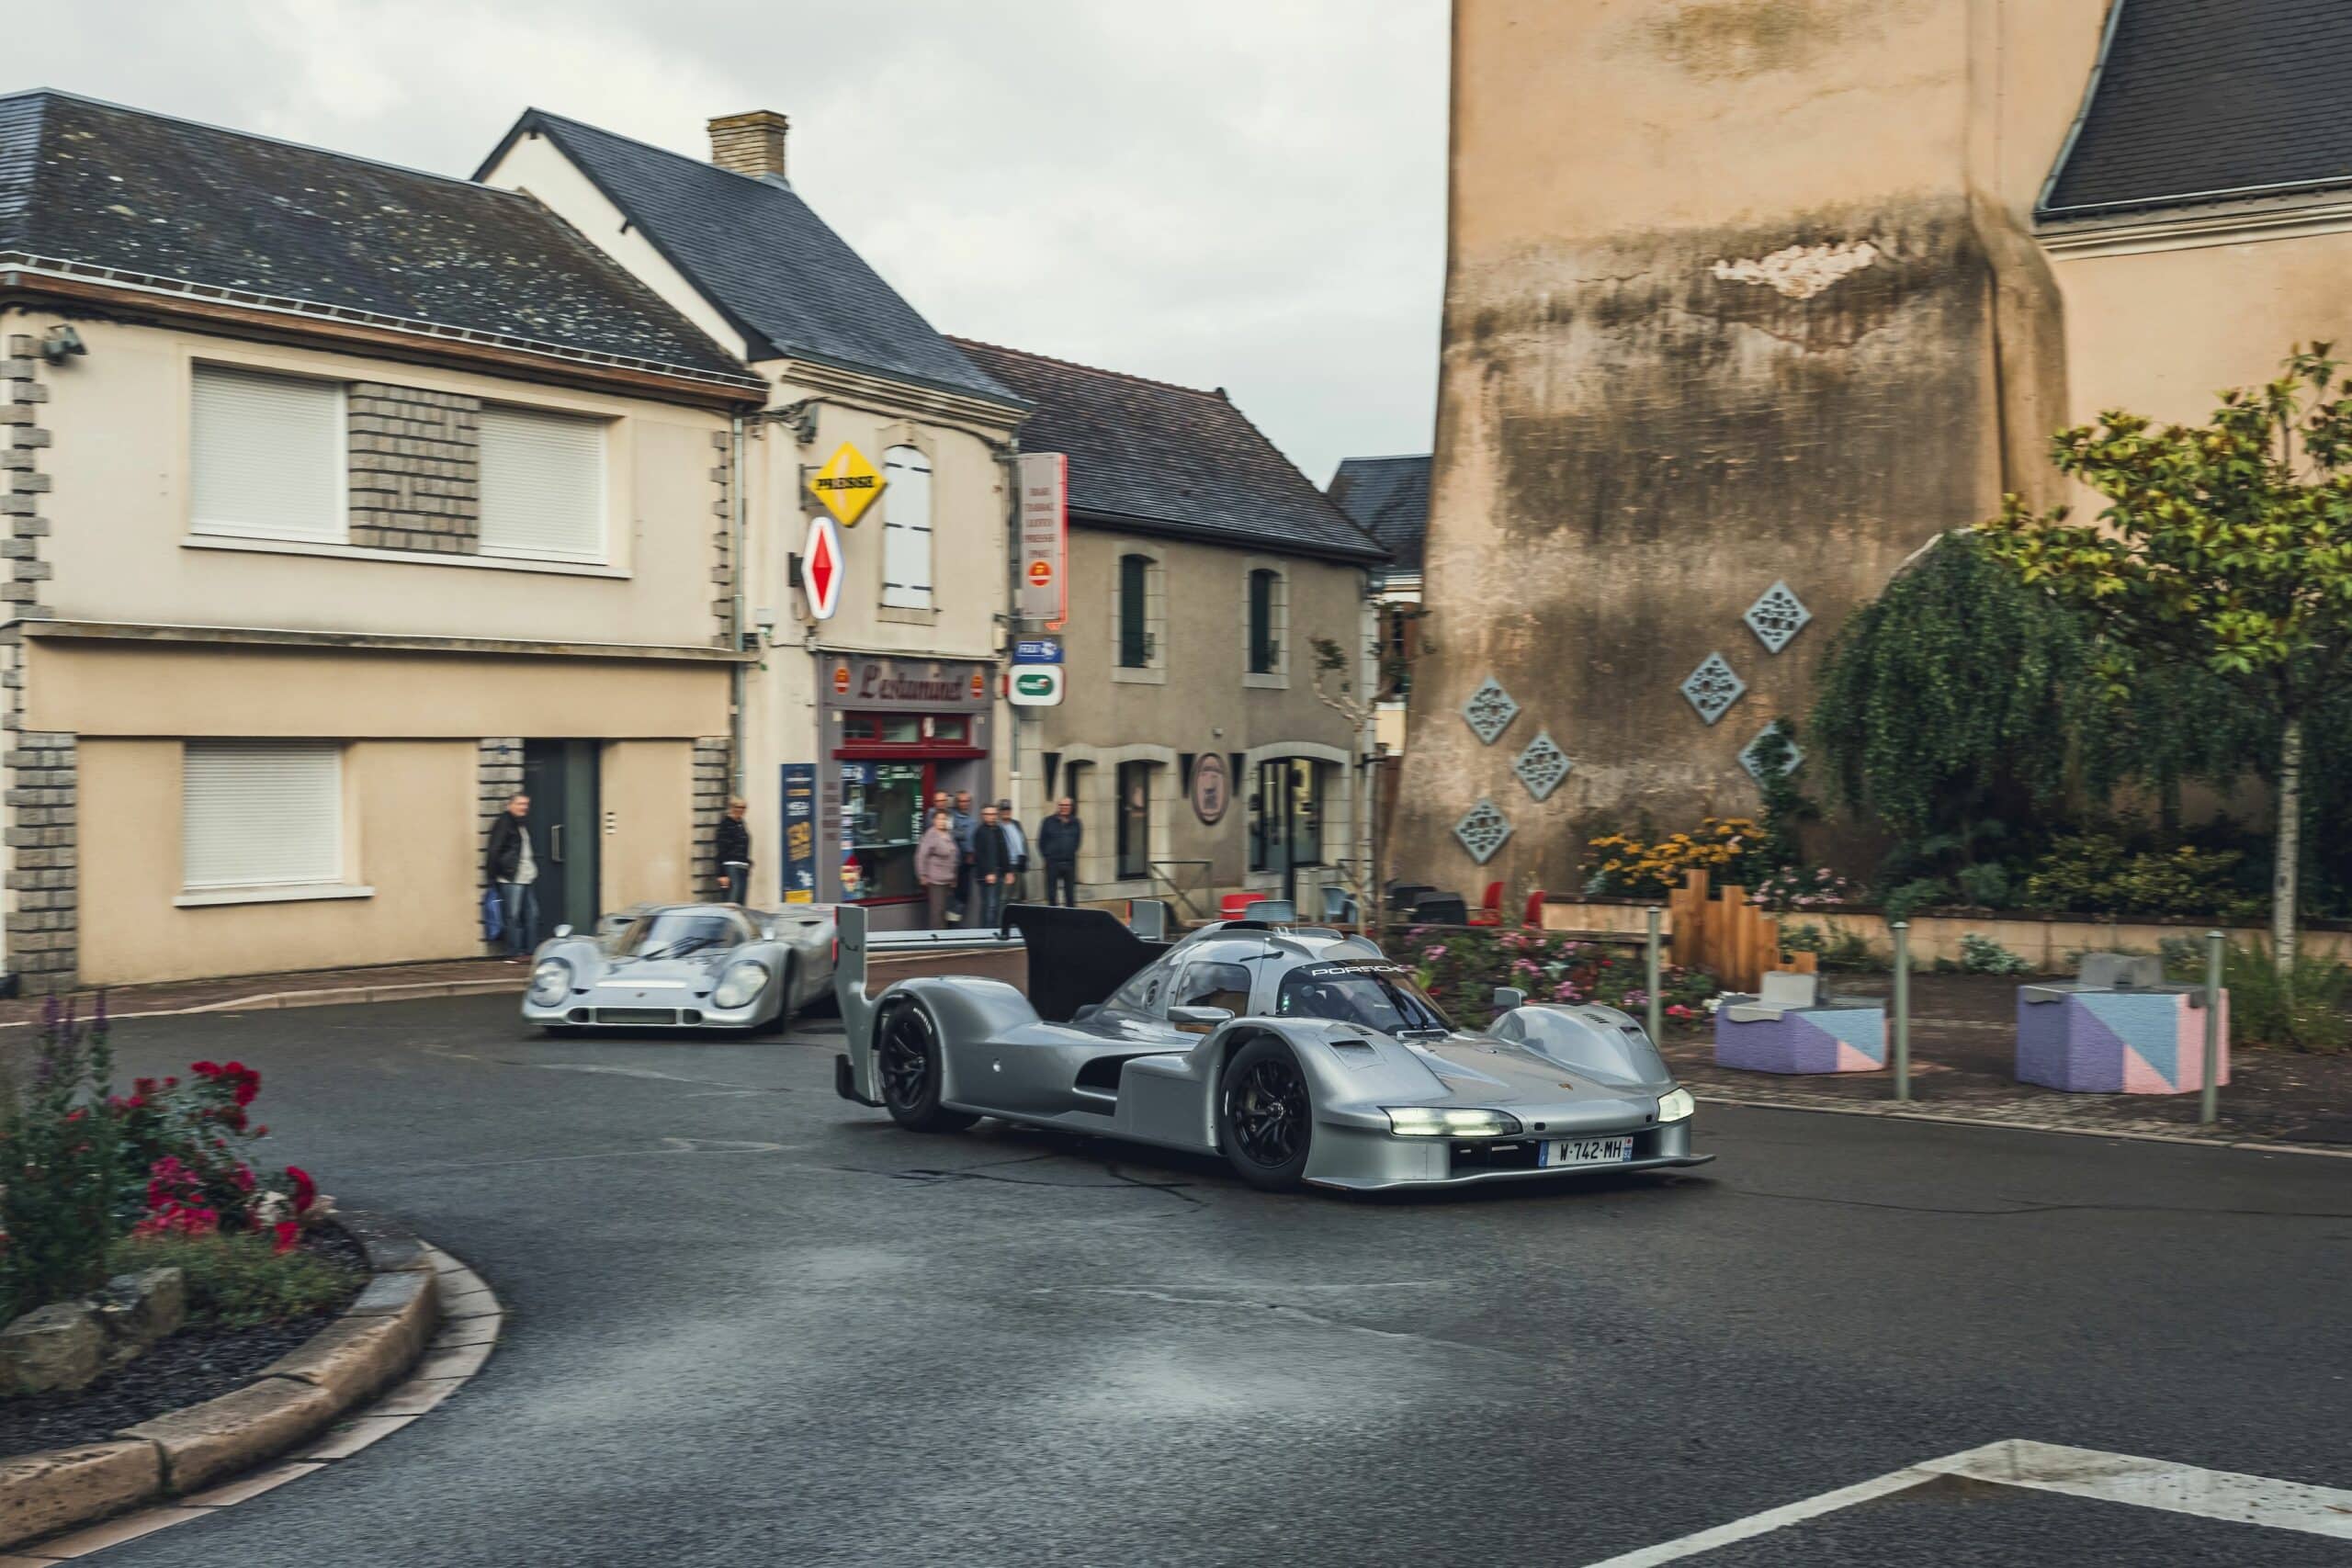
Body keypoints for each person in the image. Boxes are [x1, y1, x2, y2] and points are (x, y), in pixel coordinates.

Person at [483, 793, 538, 959]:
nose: (524, 807)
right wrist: (492, 876)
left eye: (526, 804)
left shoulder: (521, 824)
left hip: (526, 876)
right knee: (512, 916)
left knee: (532, 914)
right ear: (510, 805)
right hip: (511, 877)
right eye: (520, 804)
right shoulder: (504, 823)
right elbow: (494, 850)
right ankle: (514, 952)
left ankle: (530, 950)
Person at [971, 803, 1014, 930]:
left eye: (994, 814)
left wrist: (1008, 871)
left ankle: (994, 930)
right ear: (983, 815)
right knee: (989, 905)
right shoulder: (980, 832)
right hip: (986, 876)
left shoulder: (998, 830)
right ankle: (985, 932)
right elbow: (979, 856)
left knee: (996, 905)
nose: (992, 816)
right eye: (989, 814)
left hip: (999, 873)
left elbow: (1004, 851)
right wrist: (988, 873)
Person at [916, 809, 961, 930]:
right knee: (937, 912)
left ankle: (944, 936)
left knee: (945, 912)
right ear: (934, 820)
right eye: (939, 819)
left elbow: (953, 857)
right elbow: (921, 855)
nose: (942, 821)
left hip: (948, 880)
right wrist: (922, 874)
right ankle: (936, 937)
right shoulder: (931, 835)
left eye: (944, 819)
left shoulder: (949, 834)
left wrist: (954, 877)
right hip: (936, 881)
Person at [1037, 796, 1081, 908]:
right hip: (1052, 863)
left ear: (1071, 807)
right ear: (1058, 806)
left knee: (1070, 896)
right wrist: (1047, 857)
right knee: (1052, 895)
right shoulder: (1048, 821)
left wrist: (1069, 852)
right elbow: (1041, 842)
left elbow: (1077, 842)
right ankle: (1054, 916)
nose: (1064, 807)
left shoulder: (1076, 822)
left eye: (1067, 805)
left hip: (1069, 863)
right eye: (1062, 805)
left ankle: (1070, 916)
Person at [716, 795, 752, 905]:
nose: (741, 810)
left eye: (744, 807)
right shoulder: (725, 824)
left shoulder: (741, 824)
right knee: (731, 903)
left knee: (741, 904)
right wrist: (722, 874)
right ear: (732, 807)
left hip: (743, 867)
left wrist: (748, 862)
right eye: (738, 807)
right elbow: (721, 849)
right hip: (731, 867)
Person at [995, 798, 1029, 905]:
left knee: (1018, 898)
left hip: (1019, 865)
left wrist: (1026, 858)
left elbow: (1024, 841)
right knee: (1005, 898)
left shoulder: (1017, 824)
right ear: (999, 811)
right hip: (1006, 866)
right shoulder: (997, 827)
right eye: (1004, 809)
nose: (1006, 812)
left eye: (1008, 809)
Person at [950, 790, 978, 919]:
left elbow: (973, 840)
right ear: (957, 802)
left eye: (966, 801)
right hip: (954, 862)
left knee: (963, 895)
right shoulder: (951, 817)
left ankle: (953, 922)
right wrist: (962, 835)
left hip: (967, 863)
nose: (964, 804)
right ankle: (949, 925)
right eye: (961, 801)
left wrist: (972, 853)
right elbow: (949, 834)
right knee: (954, 895)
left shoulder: (972, 821)